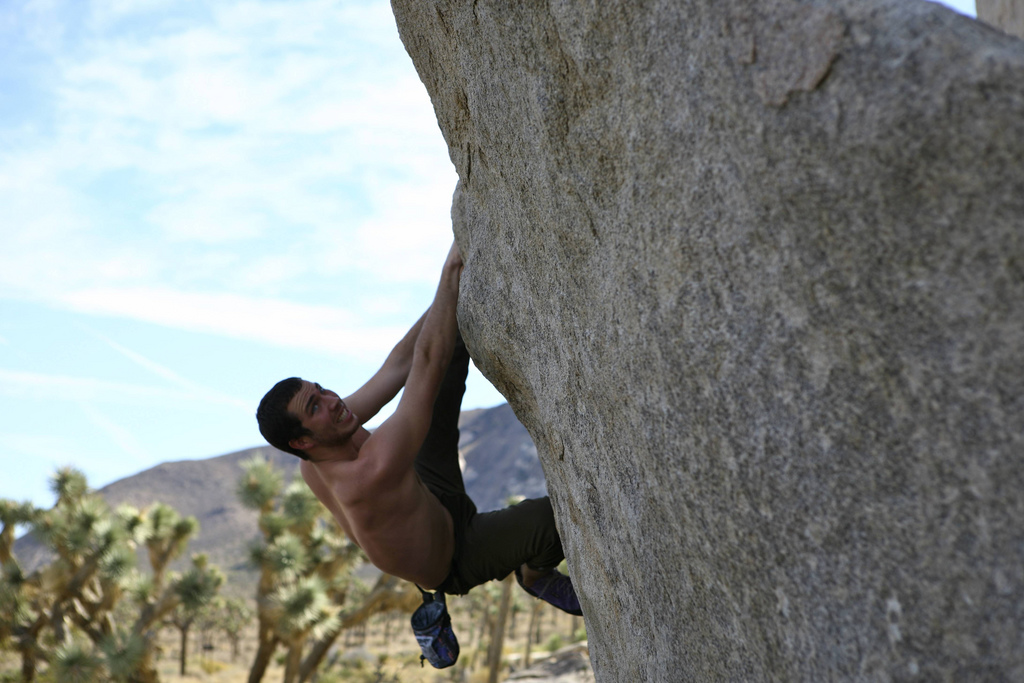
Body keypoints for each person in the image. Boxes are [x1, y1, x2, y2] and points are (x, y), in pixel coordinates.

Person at [255, 242, 581, 615]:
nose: (331, 400)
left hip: (427, 488)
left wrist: (451, 290)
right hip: (456, 553)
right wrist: (450, 273)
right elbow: (425, 362)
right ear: (302, 441)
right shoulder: (367, 474)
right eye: (315, 406)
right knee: (551, 520)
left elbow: (397, 366)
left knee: (449, 331)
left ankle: (454, 304)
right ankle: (535, 574)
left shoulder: (327, 433)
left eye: (321, 389)